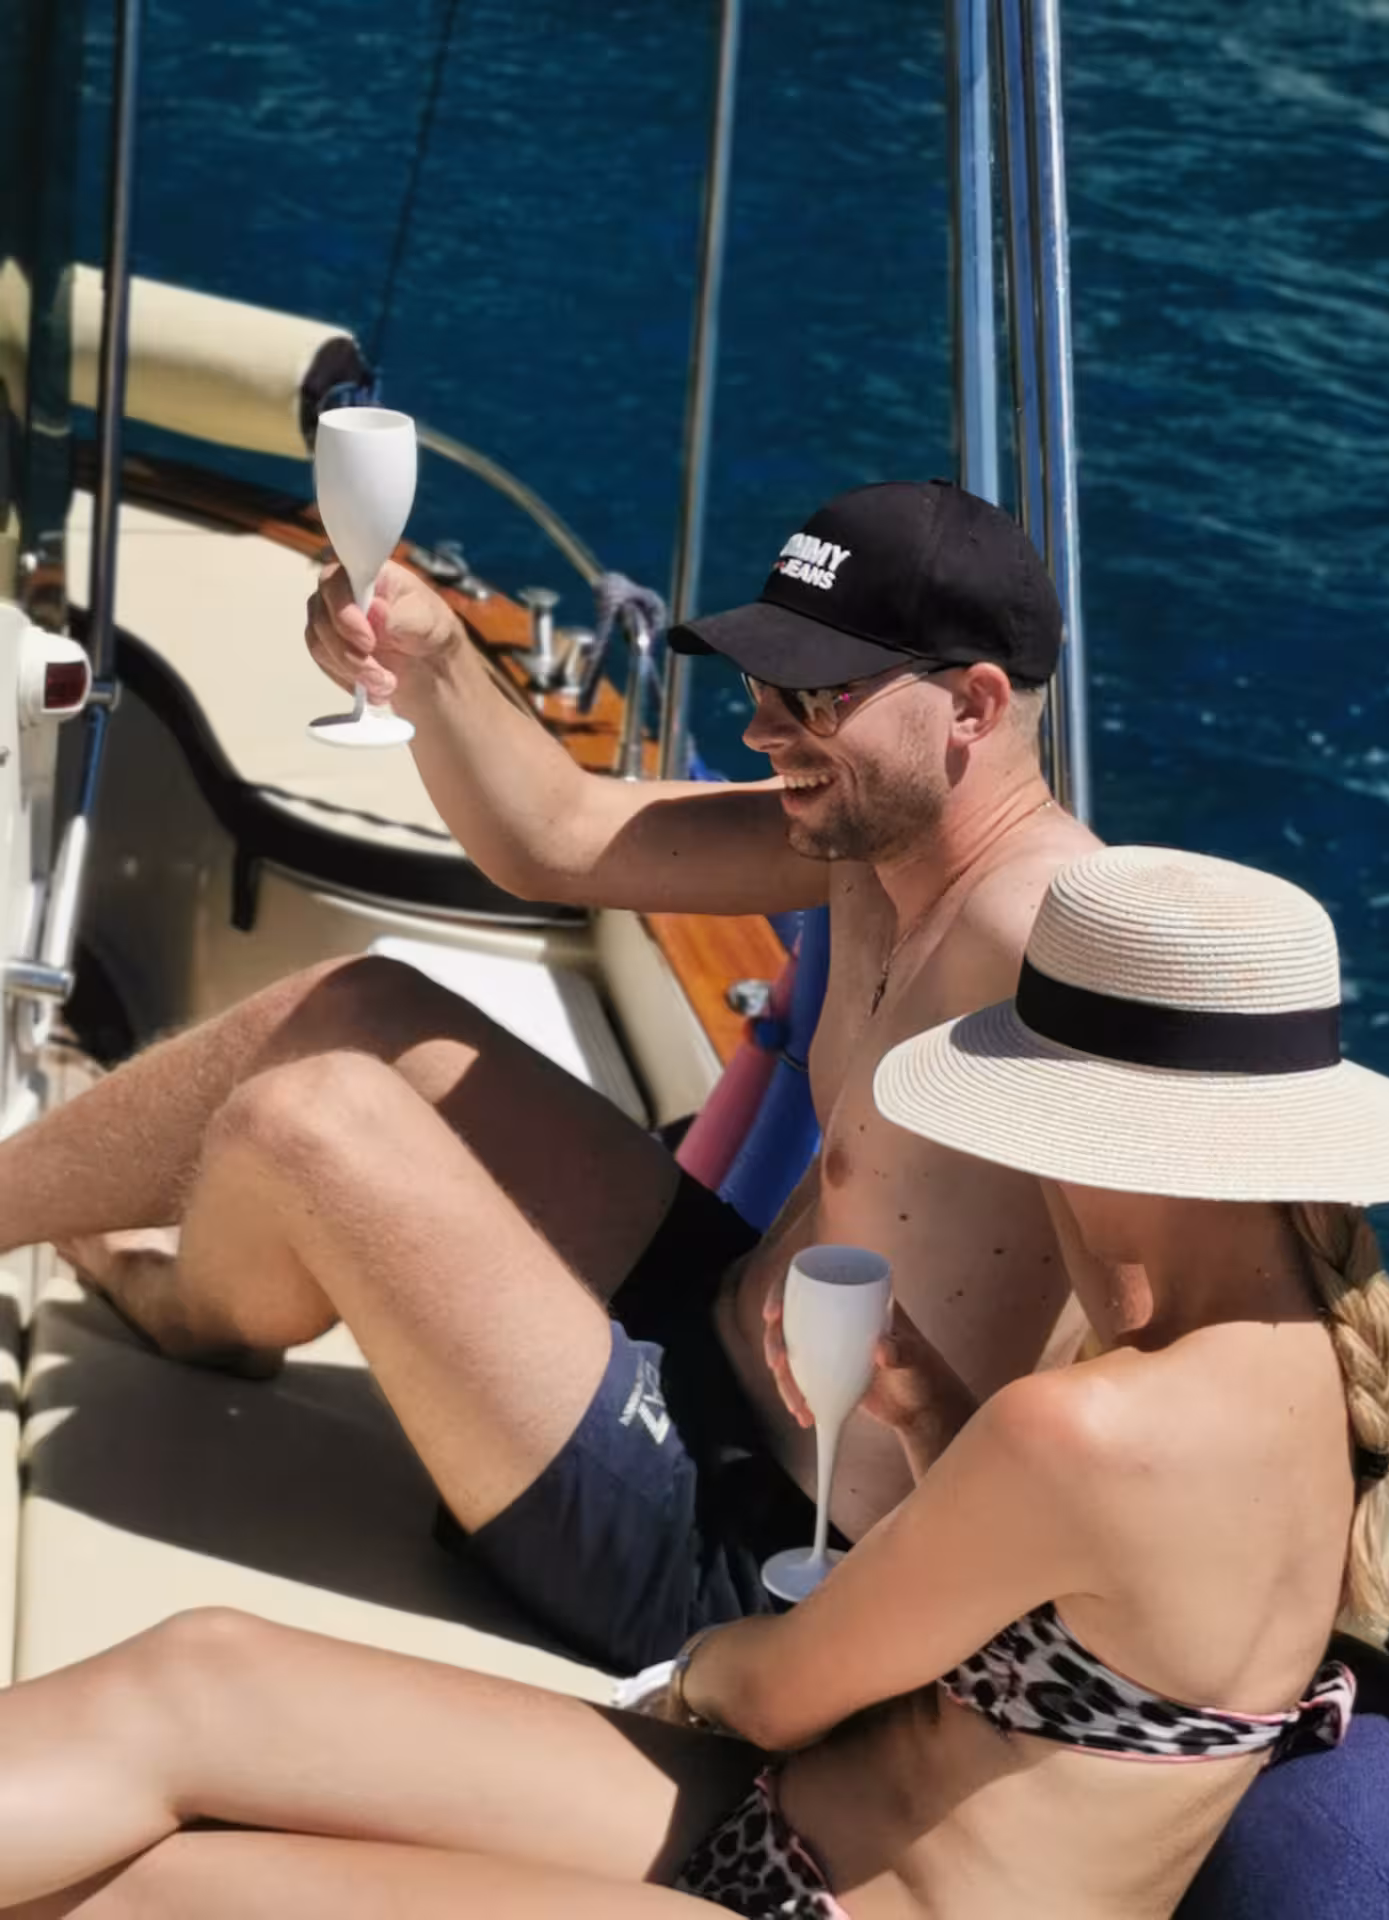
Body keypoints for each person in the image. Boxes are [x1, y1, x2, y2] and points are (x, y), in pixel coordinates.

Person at [0, 844, 1389, 1920]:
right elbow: (1094, 1638)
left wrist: (686, 1676)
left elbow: (782, 1690)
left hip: (804, 1884)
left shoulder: (1099, 1420)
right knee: (207, 1678)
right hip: (796, 1838)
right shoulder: (1335, 1381)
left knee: (178, 1890)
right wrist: (938, 1423)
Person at [7, 480, 1098, 1673]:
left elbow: (1216, 1314)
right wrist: (432, 662)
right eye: (762, 686)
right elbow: (559, 835)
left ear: (974, 707)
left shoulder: (1060, 944)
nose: (764, 729)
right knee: (360, 1011)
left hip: (756, 1546)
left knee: (312, 1121)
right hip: (714, 1324)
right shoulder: (870, 840)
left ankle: (194, 1309)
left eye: (814, 697)